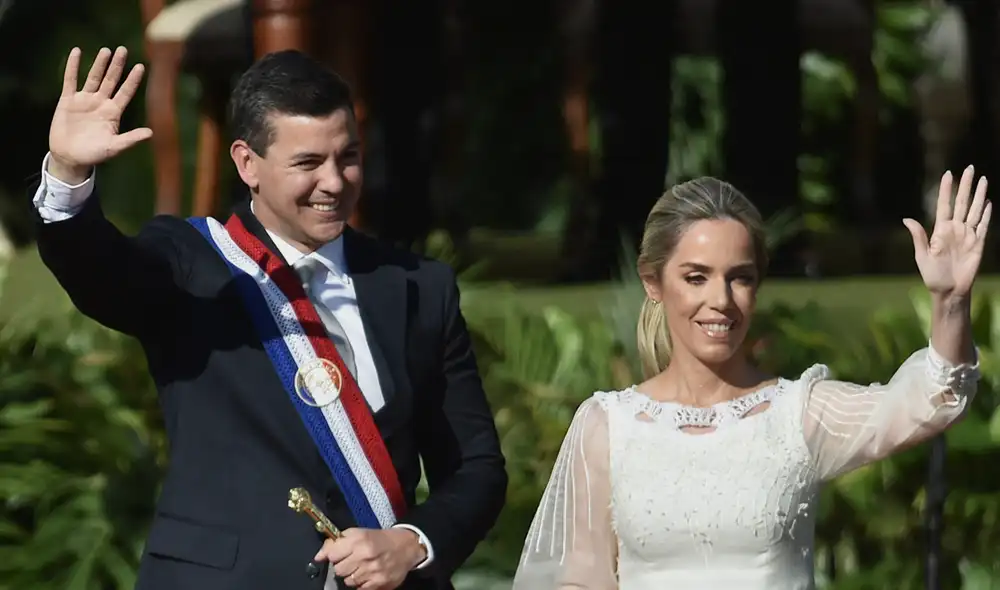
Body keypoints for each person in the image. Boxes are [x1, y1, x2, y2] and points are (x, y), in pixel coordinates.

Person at [31, 46, 507, 590]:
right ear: (246, 163)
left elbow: (476, 469)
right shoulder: (190, 262)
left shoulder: (419, 285)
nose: (334, 182)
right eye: (307, 164)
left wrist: (411, 543)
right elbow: (100, 273)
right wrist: (69, 175)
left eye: (347, 156)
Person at [513, 173, 988, 589]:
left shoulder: (797, 414)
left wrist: (949, 302)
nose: (720, 299)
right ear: (653, 283)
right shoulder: (607, 426)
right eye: (696, 277)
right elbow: (579, 581)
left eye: (739, 278)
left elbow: (932, 398)